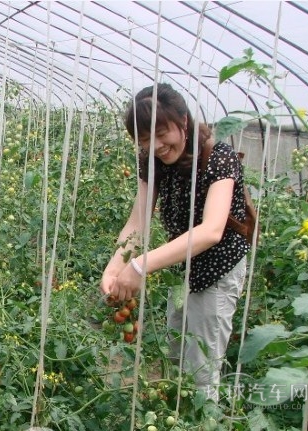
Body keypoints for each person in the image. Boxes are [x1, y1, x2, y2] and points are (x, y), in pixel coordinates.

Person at [100, 83, 249, 394]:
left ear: (183, 121)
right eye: (144, 140)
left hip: (219, 270)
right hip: (182, 266)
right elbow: (138, 223)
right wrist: (115, 266)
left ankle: (205, 415)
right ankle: (178, 410)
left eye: (161, 134)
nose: (155, 146)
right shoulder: (152, 161)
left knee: (202, 368)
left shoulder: (218, 157)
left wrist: (140, 266)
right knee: (176, 353)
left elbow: (211, 231)